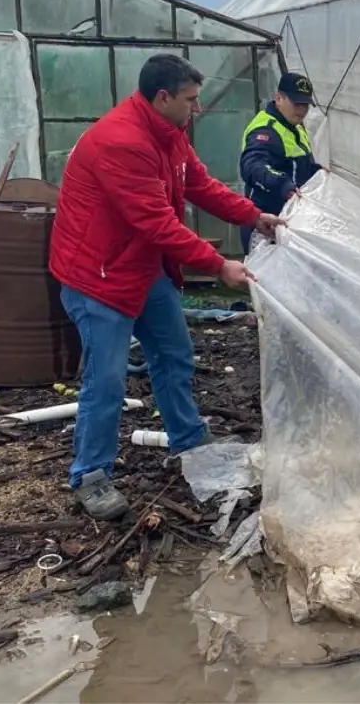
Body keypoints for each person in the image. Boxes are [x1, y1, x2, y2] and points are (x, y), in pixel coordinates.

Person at [49, 53, 285, 521]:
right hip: (100, 274)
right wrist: (219, 265)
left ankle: (188, 442)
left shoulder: (168, 134)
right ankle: (90, 475)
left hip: (141, 266)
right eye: (191, 100)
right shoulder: (121, 141)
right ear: (163, 97)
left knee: (174, 354)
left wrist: (251, 215)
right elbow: (155, 222)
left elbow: (199, 184)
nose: (197, 108)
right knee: (107, 379)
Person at [238, 71, 323, 253]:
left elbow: (297, 165)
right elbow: (253, 166)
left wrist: (318, 172)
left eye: (306, 105)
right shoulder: (265, 130)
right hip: (265, 225)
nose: (302, 110)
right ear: (278, 98)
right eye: (296, 103)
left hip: (289, 222)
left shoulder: (296, 128)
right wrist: (283, 185)